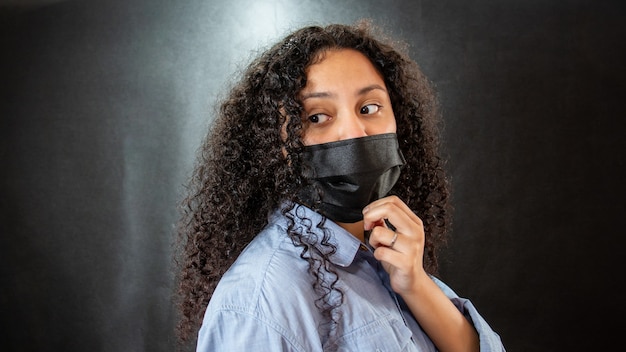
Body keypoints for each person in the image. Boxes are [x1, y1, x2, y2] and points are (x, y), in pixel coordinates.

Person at [175, 20, 505, 351]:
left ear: (398, 119)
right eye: (317, 116)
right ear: (275, 143)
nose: (353, 132)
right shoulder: (259, 304)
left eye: (369, 108)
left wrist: (416, 284)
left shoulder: (389, 258)